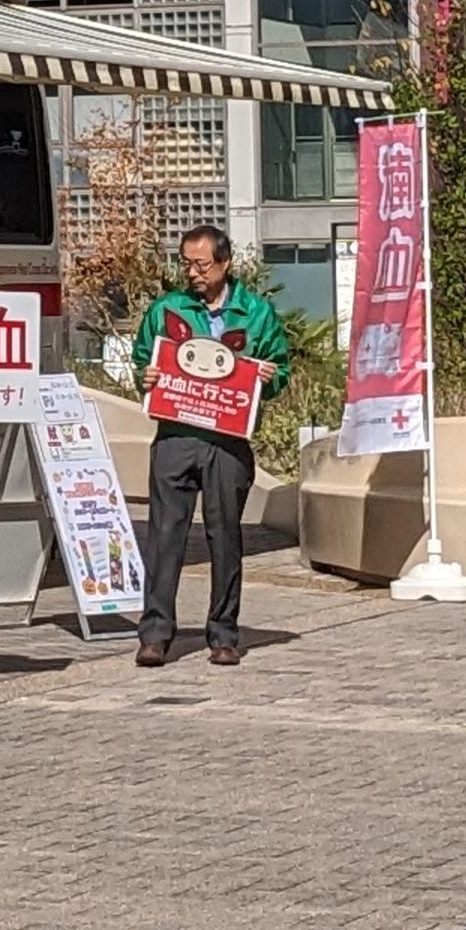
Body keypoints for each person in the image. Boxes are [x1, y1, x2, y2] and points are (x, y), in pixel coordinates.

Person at [131, 223, 292, 671]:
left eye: (202, 264)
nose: (194, 273)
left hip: (227, 442)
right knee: (164, 535)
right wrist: (144, 377)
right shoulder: (168, 309)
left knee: (225, 537)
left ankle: (224, 634)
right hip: (176, 437)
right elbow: (145, 358)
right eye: (186, 264)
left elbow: (280, 368)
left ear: (225, 263)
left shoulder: (256, 312)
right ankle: (155, 634)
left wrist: (268, 378)